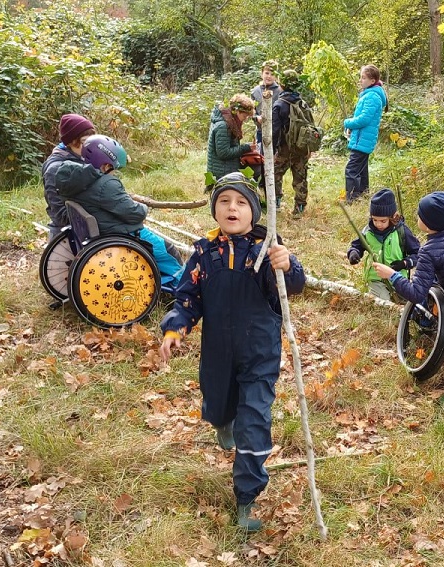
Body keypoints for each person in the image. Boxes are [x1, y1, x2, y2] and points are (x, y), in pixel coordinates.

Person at [158, 172, 306, 533]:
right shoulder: (204, 254)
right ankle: (222, 421)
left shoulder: (265, 251)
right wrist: (176, 326)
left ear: (254, 212)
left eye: (241, 202)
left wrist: (288, 265)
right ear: (215, 210)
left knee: (253, 423)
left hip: (259, 354)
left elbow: (294, 286)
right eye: (224, 201)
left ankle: (247, 496)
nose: (232, 208)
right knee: (219, 404)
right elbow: (187, 298)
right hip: (218, 353)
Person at [55, 135, 184, 287]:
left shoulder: (76, 180)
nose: (114, 172)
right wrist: (143, 207)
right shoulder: (106, 184)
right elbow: (135, 214)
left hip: (98, 233)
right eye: (113, 168)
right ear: (104, 165)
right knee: (168, 249)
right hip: (120, 234)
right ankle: (182, 285)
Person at [373, 191, 444, 305]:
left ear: (428, 225)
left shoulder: (428, 251)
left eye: (420, 215)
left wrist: (392, 275)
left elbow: (416, 294)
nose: (417, 216)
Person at [346, 188, 420, 301]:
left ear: (392, 217)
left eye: (383, 221)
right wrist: (354, 253)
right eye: (375, 220)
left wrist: (404, 263)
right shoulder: (368, 231)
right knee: (382, 302)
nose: (378, 224)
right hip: (375, 278)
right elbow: (357, 246)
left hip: (397, 277)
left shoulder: (402, 231)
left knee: (405, 303)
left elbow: (417, 254)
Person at [42, 113, 96, 241]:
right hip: (68, 237)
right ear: (71, 142)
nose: (89, 146)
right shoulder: (55, 170)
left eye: (92, 141)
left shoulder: (82, 157)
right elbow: (60, 216)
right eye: (84, 142)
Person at [343, 65, 388, 204]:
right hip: (361, 138)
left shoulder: (372, 97)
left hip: (363, 139)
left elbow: (364, 119)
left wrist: (347, 123)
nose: (360, 80)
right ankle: (362, 194)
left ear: (372, 80)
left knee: (351, 170)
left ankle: (352, 199)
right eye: (361, 77)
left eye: (363, 78)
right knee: (361, 169)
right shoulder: (369, 94)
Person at [272, 69, 311, 217]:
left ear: (281, 84)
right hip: (301, 148)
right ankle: (299, 208)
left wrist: (273, 149)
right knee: (300, 178)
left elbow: (274, 131)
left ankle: (276, 202)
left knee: (275, 174)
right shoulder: (302, 103)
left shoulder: (279, 105)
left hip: (284, 149)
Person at [206, 94, 257, 189]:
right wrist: (245, 148)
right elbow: (223, 153)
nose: (246, 119)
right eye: (245, 115)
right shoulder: (223, 126)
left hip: (226, 168)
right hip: (222, 173)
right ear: (237, 111)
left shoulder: (230, 122)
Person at [251, 60, 282, 151]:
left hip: (277, 132)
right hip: (261, 131)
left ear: (276, 77)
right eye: (267, 73)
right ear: (262, 74)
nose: (269, 76)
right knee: (262, 157)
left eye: (272, 74)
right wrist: (256, 118)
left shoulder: (280, 91)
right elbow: (251, 112)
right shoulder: (255, 91)